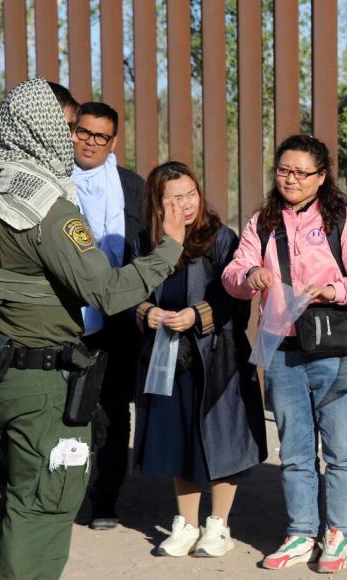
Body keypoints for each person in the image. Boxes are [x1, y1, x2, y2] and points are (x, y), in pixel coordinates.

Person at [0, 78, 186, 580]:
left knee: (23, 494)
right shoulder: (42, 205)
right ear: (39, 129)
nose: (68, 134)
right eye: (63, 123)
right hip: (41, 373)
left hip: (3, 364)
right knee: (46, 501)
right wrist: (170, 248)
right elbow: (105, 290)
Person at [222, 134, 347, 573]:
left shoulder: (343, 219)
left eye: (301, 172)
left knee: (342, 448)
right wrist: (249, 275)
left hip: (335, 346)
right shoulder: (262, 221)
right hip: (281, 346)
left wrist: (335, 290)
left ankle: (339, 534)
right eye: (283, 170)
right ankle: (300, 531)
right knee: (293, 448)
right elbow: (232, 272)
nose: (290, 178)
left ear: (322, 176)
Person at [134, 161, 266, 557]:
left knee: (221, 437)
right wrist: (147, 313)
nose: (186, 204)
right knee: (180, 439)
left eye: (190, 194)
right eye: (174, 198)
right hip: (167, 355)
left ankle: (219, 525)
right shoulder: (145, 243)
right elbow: (125, 292)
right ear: (158, 204)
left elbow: (236, 297)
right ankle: (186, 523)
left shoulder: (220, 238)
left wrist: (197, 314)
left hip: (217, 356)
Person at [70, 101, 147, 530]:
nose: (90, 143)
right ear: (73, 131)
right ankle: (59, 496)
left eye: (100, 136)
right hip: (62, 313)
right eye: (84, 132)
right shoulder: (52, 182)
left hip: (117, 314)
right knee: (59, 409)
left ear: (112, 141)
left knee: (113, 410)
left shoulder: (131, 186)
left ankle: (105, 499)